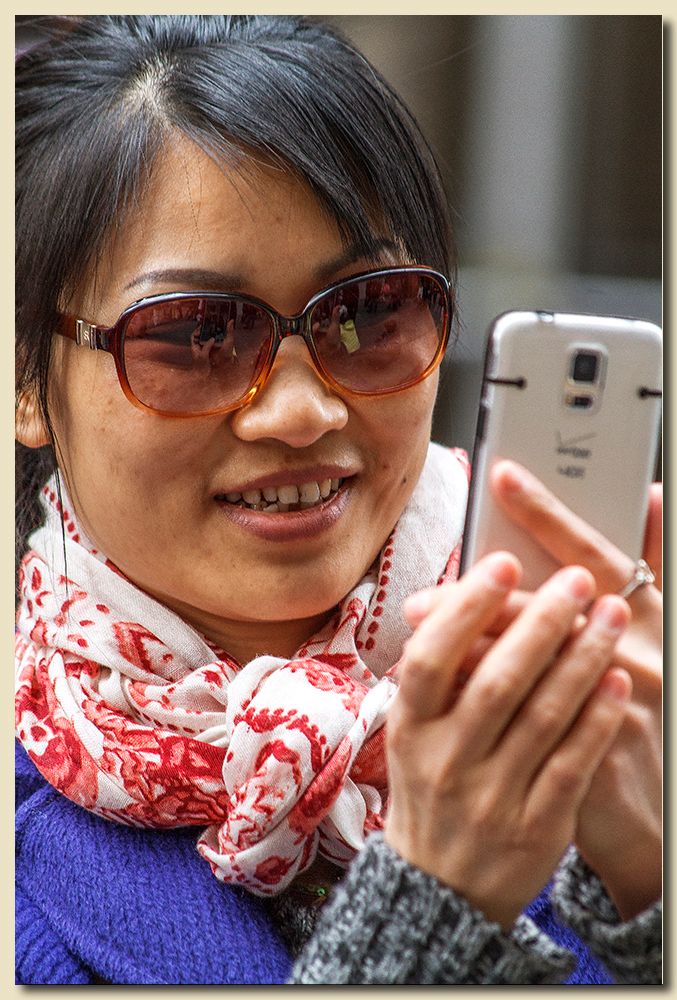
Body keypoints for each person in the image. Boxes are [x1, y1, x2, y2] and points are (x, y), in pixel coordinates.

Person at [15, 15, 661, 986]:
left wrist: (648, 889)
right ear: (26, 377)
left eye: (368, 312)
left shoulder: (619, 711)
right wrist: (430, 907)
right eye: (192, 334)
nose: (300, 407)